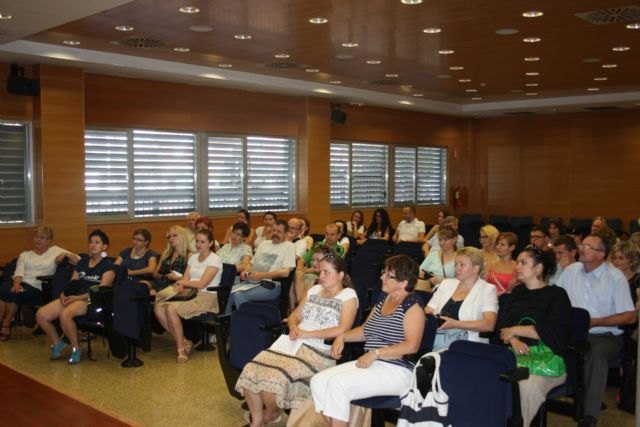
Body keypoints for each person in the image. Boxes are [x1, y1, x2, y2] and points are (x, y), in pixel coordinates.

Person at [236, 251, 358, 427]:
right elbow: (294, 315)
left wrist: (308, 334)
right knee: (251, 369)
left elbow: (343, 329)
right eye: (320, 271)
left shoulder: (348, 296)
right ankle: (257, 421)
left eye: (326, 272)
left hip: (318, 350)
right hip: (293, 342)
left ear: (340, 275)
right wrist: (293, 326)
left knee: (273, 378)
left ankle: (271, 414)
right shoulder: (314, 289)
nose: (321, 276)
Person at [310, 255, 425, 427]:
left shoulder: (412, 305)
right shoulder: (383, 299)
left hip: (399, 369)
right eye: (383, 273)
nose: (381, 277)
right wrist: (342, 336)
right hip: (374, 363)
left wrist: (377, 353)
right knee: (318, 381)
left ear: (403, 282)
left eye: (388, 275)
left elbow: (412, 345)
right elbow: (366, 329)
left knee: (337, 384)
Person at [557, 230, 636, 426]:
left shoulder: (615, 277)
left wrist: (597, 322)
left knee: (595, 353)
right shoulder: (571, 271)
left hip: (605, 336)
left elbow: (629, 316)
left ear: (601, 254)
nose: (581, 249)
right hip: (573, 332)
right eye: (581, 245)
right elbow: (556, 298)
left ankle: (589, 415)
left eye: (588, 247)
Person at [496, 245, 571, 426]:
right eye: (518, 262)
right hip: (513, 356)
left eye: (523, 262)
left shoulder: (557, 295)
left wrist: (514, 330)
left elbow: (553, 330)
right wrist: (512, 339)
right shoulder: (517, 292)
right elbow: (502, 325)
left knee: (526, 385)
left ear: (539, 267)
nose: (517, 267)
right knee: (487, 377)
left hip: (546, 360)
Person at [35, 229, 115, 364]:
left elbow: (100, 290)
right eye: (91, 242)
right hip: (75, 297)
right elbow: (73, 282)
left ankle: (76, 348)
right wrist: (64, 293)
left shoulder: (109, 266)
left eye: (97, 242)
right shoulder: (82, 262)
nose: (93, 245)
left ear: (104, 246)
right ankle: (58, 343)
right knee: (41, 314)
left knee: (65, 314)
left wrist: (77, 298)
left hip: (92, 300)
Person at [154, 228, 222, 363]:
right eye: (197, 241)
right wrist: (180, 285)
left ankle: (181, 349)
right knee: (158, 307)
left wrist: (184, 283)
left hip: (207, 296)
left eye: (202, 242)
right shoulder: (193, 258)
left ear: (210, 243)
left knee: (170, 309)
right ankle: (185, 341)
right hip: (190, 293)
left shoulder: (215, 259)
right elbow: (185, 278)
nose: (198, 244)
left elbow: (203, 284)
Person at [0, 226, 75, 341]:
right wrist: (16, 284)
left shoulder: (55, 250)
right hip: (21, 282)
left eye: (42, 238)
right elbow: (18, 272)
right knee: (8, 291)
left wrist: (66, 255)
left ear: (49, 241)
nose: (38, 240)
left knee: (12, 295)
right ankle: (6, 322)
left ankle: (6, 323)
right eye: (36, 237)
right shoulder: (25, 255)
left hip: (39, 287)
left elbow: (79, 260)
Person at [425, 247, 498, 350]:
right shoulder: (446, 284)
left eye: (462, 265)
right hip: (437, 340)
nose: (457, 268)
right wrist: (429, 314)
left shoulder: (487, 290)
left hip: (468, 345)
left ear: (475, 268)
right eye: (456, 264)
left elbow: (489, 324)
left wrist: (456, 324)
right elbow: (429, 309)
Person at [226, 220, 296, 313]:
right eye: (273, 230)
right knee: (228, 294)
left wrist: (262, 275)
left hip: (270, 285)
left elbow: (285, 272)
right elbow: (251, 264)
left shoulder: (289, 246)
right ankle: (229, 324)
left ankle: (247, 324)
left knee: (239, 295)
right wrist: (245, 272)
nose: (275, 233)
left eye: (279, 232)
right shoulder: (264, 244)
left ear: (286, 233)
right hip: (251, 281)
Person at [152, 225, 192, 293]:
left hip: (178, 288)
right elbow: (156, 275)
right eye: (169, 237)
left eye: (175, 235)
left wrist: (178, 278)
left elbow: (192, 279)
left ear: (182, 236)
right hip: (159, 287)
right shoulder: (166, 254)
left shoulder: (189, 255)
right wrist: (156, 273)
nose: (171, 238)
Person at [418, 226, 457, 291]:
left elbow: (462, 281)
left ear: (455, 239)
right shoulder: (433, 254)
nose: (442, 243)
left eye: (446, 239)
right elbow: (420, 271)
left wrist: (442, 280)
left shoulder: (460, 258)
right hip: (428, 289)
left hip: (448, 291)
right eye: (440, 239)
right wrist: (425, 276)